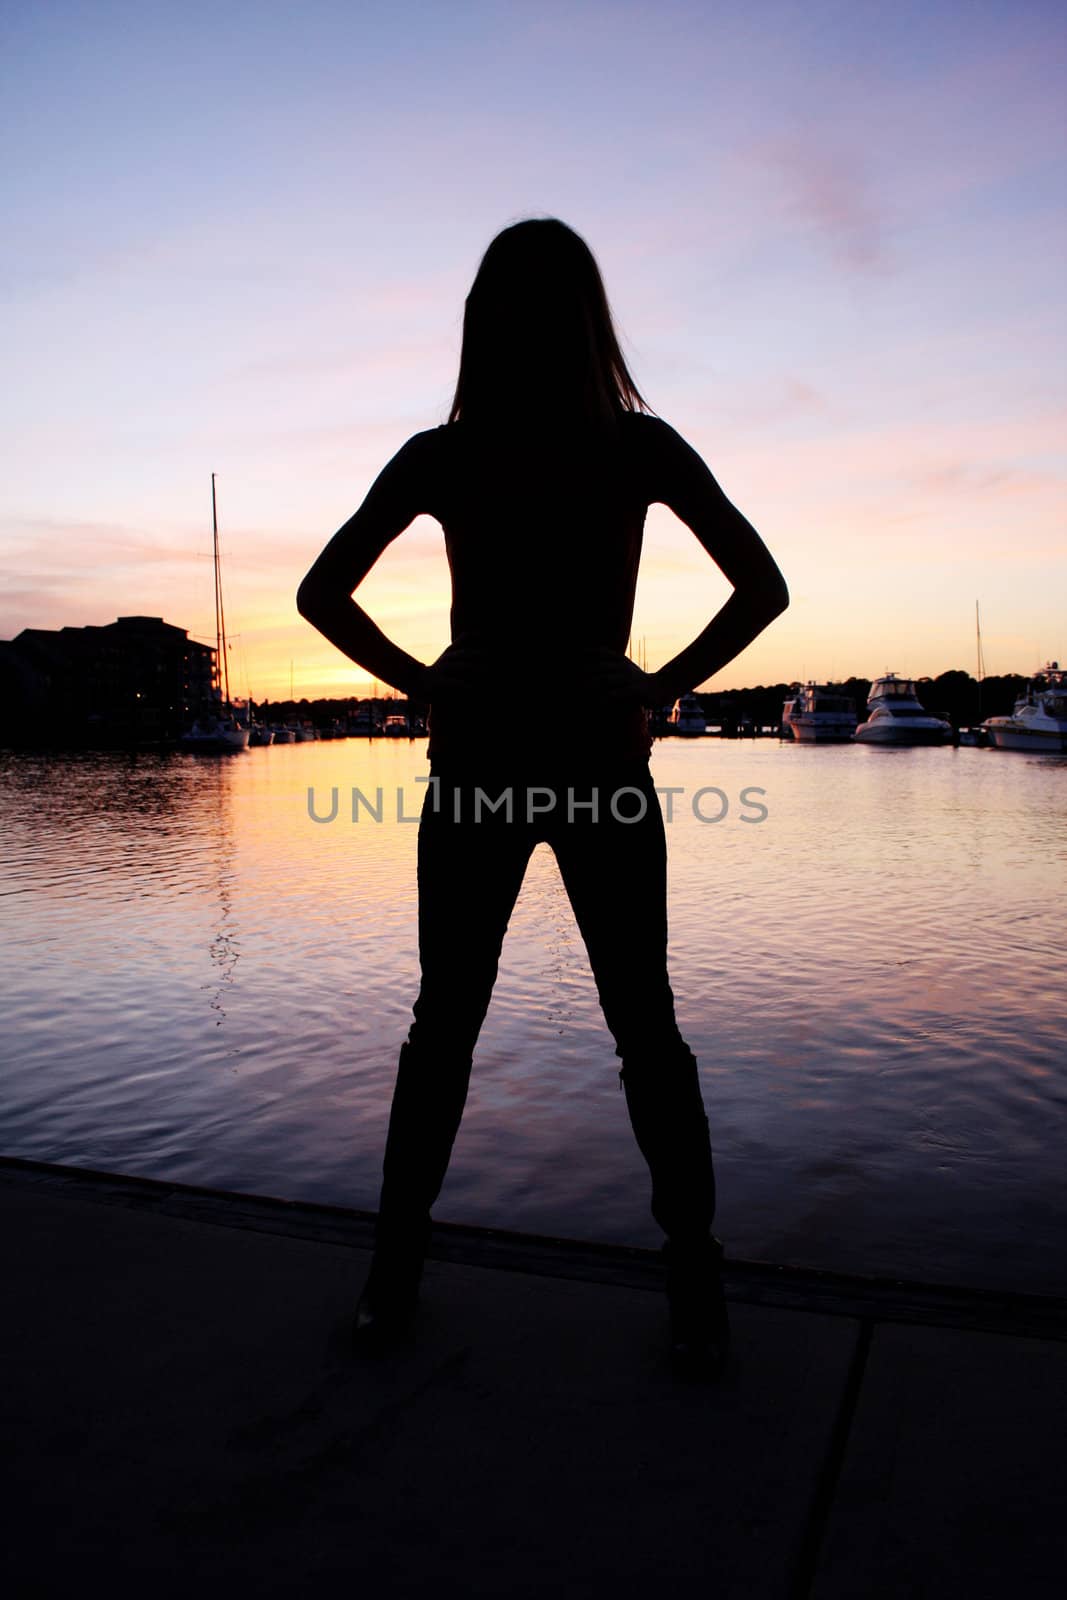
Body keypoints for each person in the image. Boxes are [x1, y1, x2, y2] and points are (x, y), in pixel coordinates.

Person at [296, 217, 789, 1375]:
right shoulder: (445, 456)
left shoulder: (633, 448)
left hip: (589, 769)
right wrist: (428, 686)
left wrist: (653, 690)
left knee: (639, 1027)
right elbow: (322, 592)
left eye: (529, 298)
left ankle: (689, 1276)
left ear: (563, 315)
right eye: (500, 299)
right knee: (450, 1028)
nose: (513, 318)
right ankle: (401, 1268)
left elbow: (761, 585)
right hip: (481, 772)